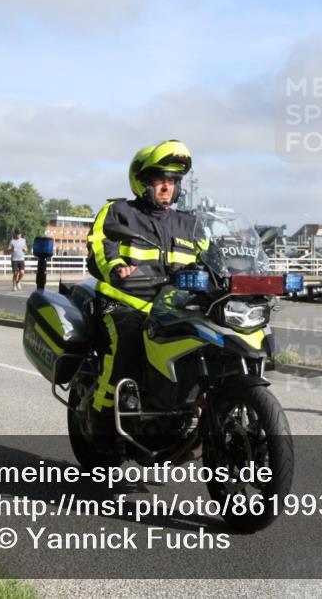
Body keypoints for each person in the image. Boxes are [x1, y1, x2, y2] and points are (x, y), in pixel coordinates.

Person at [84, 139, 198, 429]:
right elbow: (100, 243)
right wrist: (116, 267)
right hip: (121, 302)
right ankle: (101, 419)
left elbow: (211, 258)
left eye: (173, 180)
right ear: (142, 181)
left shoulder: (189, 224)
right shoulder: (119, 211)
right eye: (161, 179)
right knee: (126, 343)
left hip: (172, 308)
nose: (167, 186)